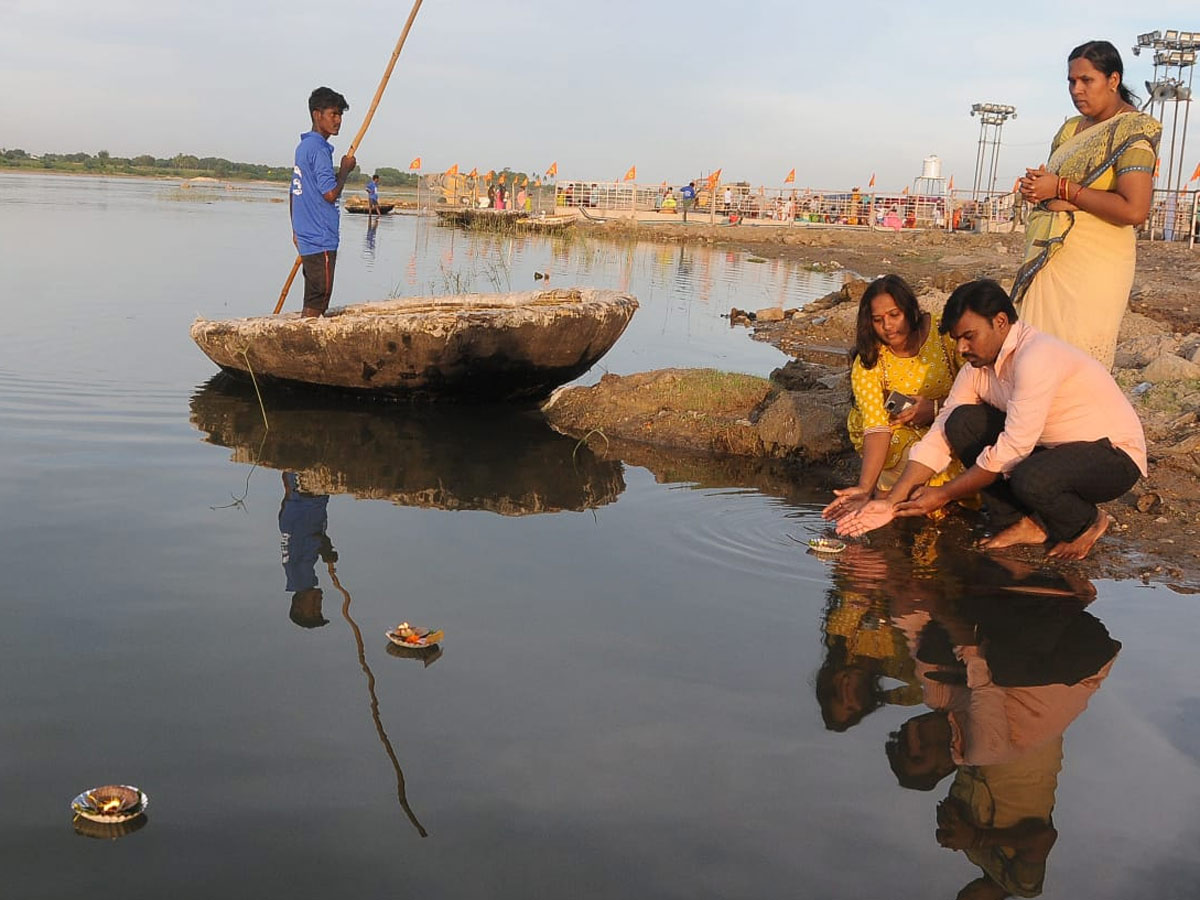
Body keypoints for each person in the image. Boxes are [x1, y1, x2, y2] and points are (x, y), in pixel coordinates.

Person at [833, 280, 1147, 560]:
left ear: (1000, 322)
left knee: (1030, 476)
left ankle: (1085, 522)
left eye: (969, 337)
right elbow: (942, 431)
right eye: (957, 339)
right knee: (961, 421)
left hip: (1112, 455)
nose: (962, 348)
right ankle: (1022, 522)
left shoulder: (1036, 356)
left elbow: (1013, 448)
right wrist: (892, 501)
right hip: (1054, 451)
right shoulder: (976, 369)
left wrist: (943, 494)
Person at [1014, 40, 1161, 369]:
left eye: (1086, 80)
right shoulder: (1070, 130)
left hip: (1095, 264)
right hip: (1051, 257)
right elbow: (1056, 189)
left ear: (1113, 80)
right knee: (1033, 360)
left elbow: (1134, 210)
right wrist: (1039, 189)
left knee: (1075, 365)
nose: (1076, 89)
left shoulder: (1133, 129)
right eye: (1071, 81)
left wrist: (1063, 189)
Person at [822, 275, 963, 521]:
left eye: (894, 315)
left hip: (949, 418)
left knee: (950, 463)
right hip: (893, 430)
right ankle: (887, 499)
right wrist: (865, 488)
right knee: (910, 458)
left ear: (910, 310)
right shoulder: (870, 360)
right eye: (878, 320)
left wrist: (935, 408)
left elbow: (978, 389)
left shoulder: (944, 336)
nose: (887, 326)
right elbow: (877, 427)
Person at [290, 86, 357, 318]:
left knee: (314, 295)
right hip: (320, 238)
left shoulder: (303, 147)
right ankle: (304, 342)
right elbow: (330, 194)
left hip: (309, 236)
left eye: (340, 115)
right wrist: (345, 171)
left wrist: (296, 231)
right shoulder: (317, 149)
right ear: (317, 115)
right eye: (333, 114)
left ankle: (304, 334)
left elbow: (293, 193)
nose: (338, 120)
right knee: (319, 299)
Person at [278, 471, 337, 628]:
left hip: (305, 495)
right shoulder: (302, 574)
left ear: (298, 605)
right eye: (320, 607)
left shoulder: (298, 574)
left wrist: (325, 548)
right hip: (308, 498)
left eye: (314, 607)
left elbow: (306, 535)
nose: (320, 602)